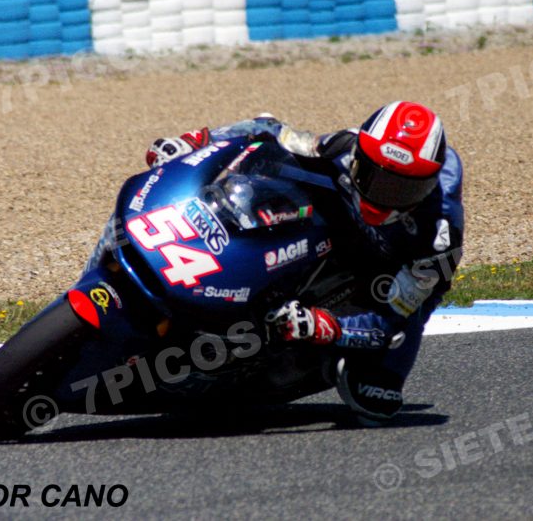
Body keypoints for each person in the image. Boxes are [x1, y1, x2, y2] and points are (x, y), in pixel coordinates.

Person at [145, 102, 464, 424]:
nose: (384, 197)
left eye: (403, 188)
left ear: (429, 185)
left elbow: (390, 321)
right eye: (373, 177)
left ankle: (311, 356)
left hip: (392, 270)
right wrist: (196, 141)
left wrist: (325, 325)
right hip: (346, 223)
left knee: (374, 396)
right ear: (360, 156)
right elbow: (267, 129)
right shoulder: (344, 146)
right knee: (271, 177)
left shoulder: (438, 239)